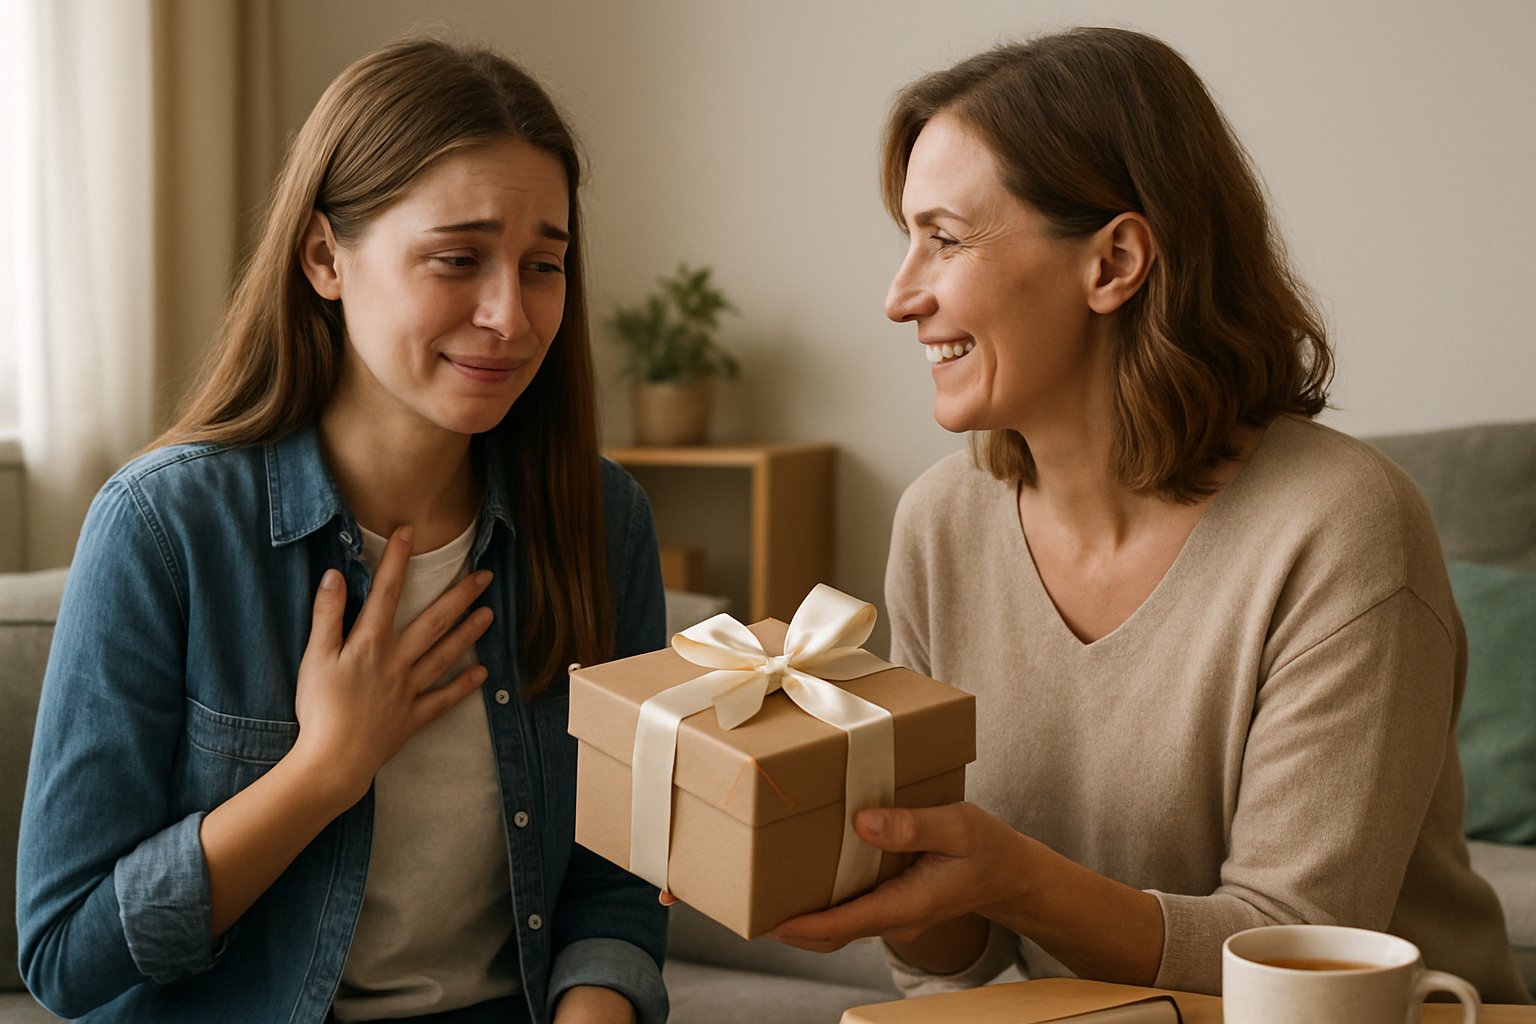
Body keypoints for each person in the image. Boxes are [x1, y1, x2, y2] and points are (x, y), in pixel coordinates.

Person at [769, 27, 1530, 1004]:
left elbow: (1291, 950)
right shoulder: (940, 524)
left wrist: (1013, 876)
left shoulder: (1343, 526)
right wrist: (875, 864)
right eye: (906, 238)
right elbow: (959, 961)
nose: (898, 296)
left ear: (1115, 261)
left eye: (945, 238)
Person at [17, 39, 668, 1024]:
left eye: (544, 265)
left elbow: (617, 885)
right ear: (325, 256)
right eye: (459, 258)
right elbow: (67, 953)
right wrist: (323, 771)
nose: (509, 313)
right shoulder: (161, 527)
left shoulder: (603, 520)